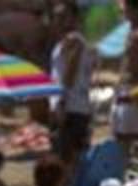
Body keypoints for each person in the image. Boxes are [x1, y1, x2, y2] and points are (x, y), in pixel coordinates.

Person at [49, 1, 96, 168]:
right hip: (76, 106)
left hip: (70, 107)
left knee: (66, 159)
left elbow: (69, 73)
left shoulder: (73, 40)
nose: (58, 21)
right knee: (73, 157)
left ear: (74, 18)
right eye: (56, 17)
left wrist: (61, 101)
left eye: (63, 17)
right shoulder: (69, 42)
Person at [113, 0, 138, 149]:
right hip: (126, 87)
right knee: (122, 139)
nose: (122, 12)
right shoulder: (131, 30)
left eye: (124, 9)